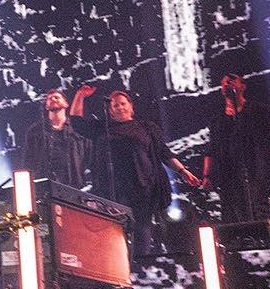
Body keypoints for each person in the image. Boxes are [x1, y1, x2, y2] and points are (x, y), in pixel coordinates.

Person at [70, 85, 201, 256]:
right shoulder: (103, 128)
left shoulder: (146, 128)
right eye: (115, 105)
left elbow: (164, 153)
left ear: (131, 106)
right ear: (110, 110)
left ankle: (141, 261)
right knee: (115, 228)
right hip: (113, 188)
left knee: (142, 227)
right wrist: (80, 95)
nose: (120, 107)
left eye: (123, 103)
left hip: (142, 186)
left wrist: (183, 171)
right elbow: (76, 122)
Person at [200, 75, 270, 229]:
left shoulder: (259, 111)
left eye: (233, 80)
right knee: (236, 217)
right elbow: (211, 149)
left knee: (263, 214)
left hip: (259, 172)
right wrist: (207, 176)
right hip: (230, 177)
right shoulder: (218, 119)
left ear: (242, 86)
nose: (228, 83)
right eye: (225, 82)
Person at [20, 88, 89, 188]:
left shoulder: (77, 129)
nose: (53, 99)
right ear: (46, 106)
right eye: (49, 98)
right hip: (46, 186)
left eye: (57, 97)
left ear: (66, 104)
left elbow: (88, 155)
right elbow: (28, 160)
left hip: (75, 186)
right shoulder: (35, 131)